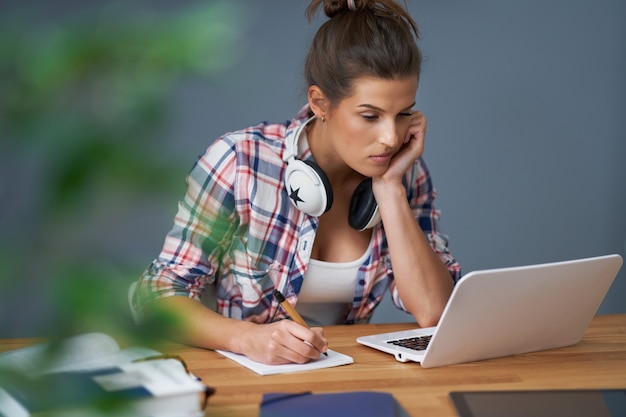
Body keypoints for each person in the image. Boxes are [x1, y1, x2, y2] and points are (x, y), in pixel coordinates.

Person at [132, 0, 461, 366]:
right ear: (320, 103)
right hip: (241, 382)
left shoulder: (403, 172)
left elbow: (434, 313)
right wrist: (247, 338)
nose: (389, 137)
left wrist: (389, 190)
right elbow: (157, 297)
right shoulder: (241, 162)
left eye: (403, 115)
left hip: (344, 379)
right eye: (370, 115)